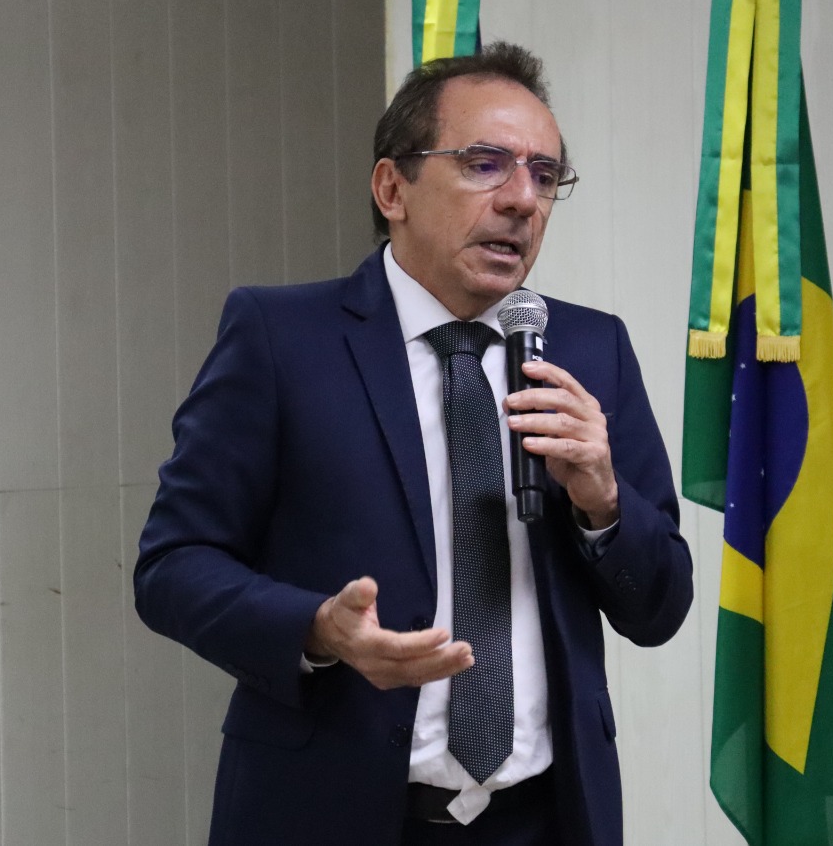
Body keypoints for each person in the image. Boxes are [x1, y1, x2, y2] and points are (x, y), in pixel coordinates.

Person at [134, 42, 692, 846]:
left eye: (544, 175)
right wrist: (315, 628)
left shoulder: (588, 349)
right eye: (485, 164)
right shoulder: (282, 339)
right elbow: (172, 565)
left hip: (544, 821)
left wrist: (603, 502)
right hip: (332, 815)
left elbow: (660, 606)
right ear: (392, 188)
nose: (521, 200)